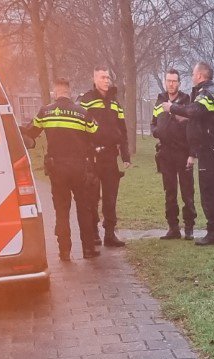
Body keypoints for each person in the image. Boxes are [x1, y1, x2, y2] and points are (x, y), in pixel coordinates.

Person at [22, 77, 100, 261]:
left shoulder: (45, 112)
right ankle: (88, 249)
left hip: (57, 169)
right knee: (84, 208)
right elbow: (96, 134)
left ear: (55, 92)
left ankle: (64, 251)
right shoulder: (83, 112)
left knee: (62, 210)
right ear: (69, 91)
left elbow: (30, 134)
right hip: (80, 168)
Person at [170, 60, 214, 246]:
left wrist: (171, 108)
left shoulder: (205, 93)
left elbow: (195, 110)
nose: (192, 77)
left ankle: (212, 232)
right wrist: (187, 120)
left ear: (200, 76)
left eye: (193, 74)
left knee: (208, 192)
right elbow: (205, 118)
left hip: (209, 150)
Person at [79, 67, 132, 248]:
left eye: (108, 77)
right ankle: (94, 233)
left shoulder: (115, 103)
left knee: (110, 197)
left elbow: (122, 130)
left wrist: (125, 155)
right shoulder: (85, 101)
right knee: (92, 197)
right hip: (92, 157)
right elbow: (79, 130)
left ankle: (110, 233)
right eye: (103, 77)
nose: (107, 81)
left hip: (110, 156)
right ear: (94, 79)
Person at [151, 68, 196, 240]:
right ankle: (173, 227)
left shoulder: (186, 101)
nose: (171, 84)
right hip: (165, 153)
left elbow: (193, 129)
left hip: (183, 153)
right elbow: (153, 123)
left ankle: (189, 227)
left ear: (179, 82)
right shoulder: (159, 100)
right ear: (165, 82)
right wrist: (156, 132)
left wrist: (192, 153)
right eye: (168, 80)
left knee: (187, 192)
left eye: (174, 81)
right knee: (169, 192)